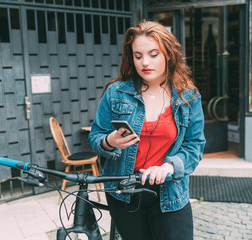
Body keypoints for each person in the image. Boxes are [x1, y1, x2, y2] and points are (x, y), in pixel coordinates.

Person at [88, 21, 206, 240]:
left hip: (169, 192)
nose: (145, 62)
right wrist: (109, 142)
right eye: (138, 55)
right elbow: (95, 137)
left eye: (153, 54)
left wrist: (170, 166)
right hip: (124, 191)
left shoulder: (188, 97)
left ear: (168, 55)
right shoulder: (116, 92)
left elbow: (195, 145)